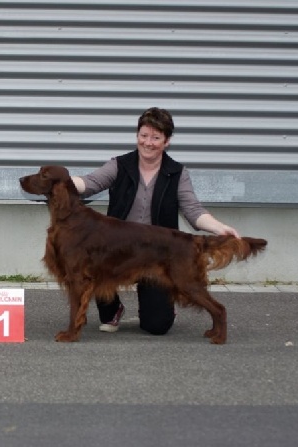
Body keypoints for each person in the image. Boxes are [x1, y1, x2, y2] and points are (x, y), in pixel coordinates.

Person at [71, 107, 240, 336]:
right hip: (117, 250)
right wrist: (62, 180)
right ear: (137, 136)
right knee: (94, 260)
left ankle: (161, 307)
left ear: (167, 141)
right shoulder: (120, 165)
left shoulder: (176, 173)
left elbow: (193, 210)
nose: (148, 143)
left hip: (158, 254)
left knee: (157, 325)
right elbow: (89, 183)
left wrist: (219, 227)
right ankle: (113, 309)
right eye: (144, 135)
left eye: (156, 137)